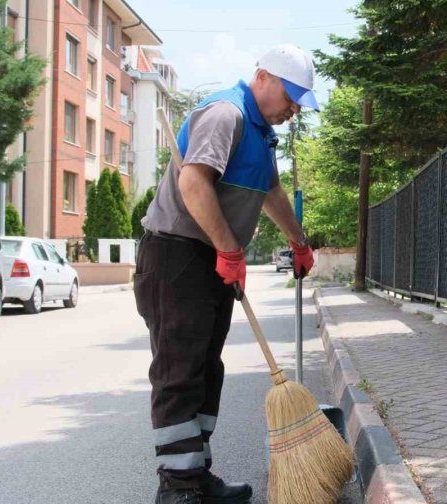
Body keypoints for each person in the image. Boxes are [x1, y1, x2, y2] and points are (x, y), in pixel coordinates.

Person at [134, 44, 317, 504]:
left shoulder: (260, 133)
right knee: (180, 370)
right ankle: (177, 490)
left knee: (205, 368)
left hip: (210, 257)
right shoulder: (226, 115)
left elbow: (271, 190)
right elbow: (192, 184)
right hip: (176, 255)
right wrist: (230, 250)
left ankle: (196, 478)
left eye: (300, 102)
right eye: (291, 96)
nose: (294, 109)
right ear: (262, 78)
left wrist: (298, 240)